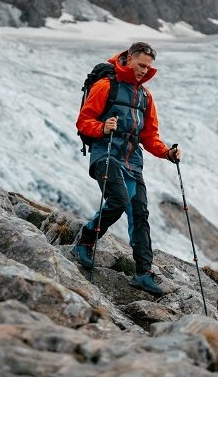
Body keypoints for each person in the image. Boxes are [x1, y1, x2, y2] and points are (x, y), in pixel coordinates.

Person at [72, 40, 181, 296]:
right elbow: (83, 121)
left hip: (133, 161)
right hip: (106, 154)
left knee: (140, 213)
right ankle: (85, 241)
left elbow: (149, 136)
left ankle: (143, 273)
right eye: (141, 65)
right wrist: (102, 128)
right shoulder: (105, 85)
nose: (144, 71)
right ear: (129, 59)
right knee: (119, 200)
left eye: (148, 67)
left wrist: (167, 153)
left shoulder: (145, 96)